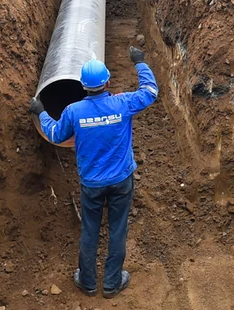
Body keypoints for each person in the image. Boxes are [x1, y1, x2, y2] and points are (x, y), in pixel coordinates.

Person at [30, 48, 158, 299]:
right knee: (117, 228)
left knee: (90, 230)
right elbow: (150, 92)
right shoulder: (122, 103)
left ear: (83, 86)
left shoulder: (74, 111)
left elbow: (55, 134)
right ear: (108, 82)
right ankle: (112, 283)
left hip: (92, 183)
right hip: (121, 180)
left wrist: (40, 111)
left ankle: (88, 282)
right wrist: (140, 63)